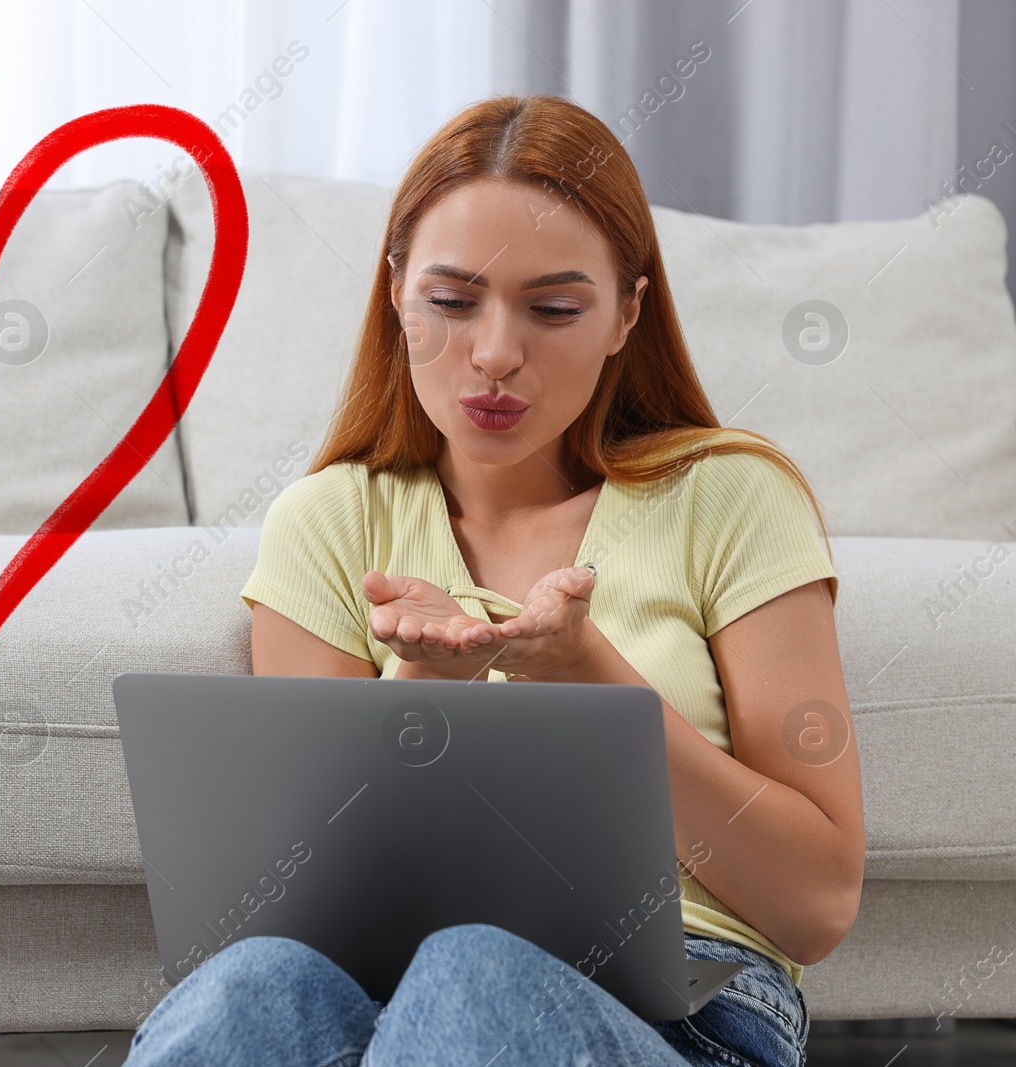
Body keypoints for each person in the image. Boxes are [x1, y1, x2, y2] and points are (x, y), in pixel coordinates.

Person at [124, 93, 864, 1066]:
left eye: (553, 307)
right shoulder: (330, 520)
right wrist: (430, 687)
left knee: (474, 970)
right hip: (372, 999)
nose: (495, 353)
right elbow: (299, 910)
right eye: (451, 300)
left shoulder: (729, 496)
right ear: (395, 290)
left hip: (690, 1008)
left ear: (624, 313)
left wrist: (588, 675)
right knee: (248, 985)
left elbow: (814, 905)